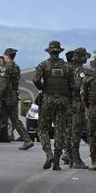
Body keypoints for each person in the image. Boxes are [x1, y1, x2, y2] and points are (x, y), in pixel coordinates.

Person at [33, 40, 73, 170]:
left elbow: (35, 79)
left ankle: (48, 153)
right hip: (63, 101)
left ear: (49, 51)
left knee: (42, 128)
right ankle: (56, 161)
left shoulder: (43, 65)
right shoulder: (67, 67)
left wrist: (43, 88)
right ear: (60, 51)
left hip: (48, 100)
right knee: (60, 129)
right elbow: (73, 85)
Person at [0, 48, 34, 151]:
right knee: (15, 120)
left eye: (5, 55)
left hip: (5, 97)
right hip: (14, 96)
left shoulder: (6, 68)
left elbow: (4, 84)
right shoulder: (17, 68)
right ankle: (27, 140)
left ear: (7, 56)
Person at [66, 47, 92, 169]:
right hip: (77, 104)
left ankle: (70, 157)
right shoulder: (80, 71)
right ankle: (76, 160)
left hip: (67, 103)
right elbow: (79, 86)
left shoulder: (68, 68)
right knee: (76, 132)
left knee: (70, 131)